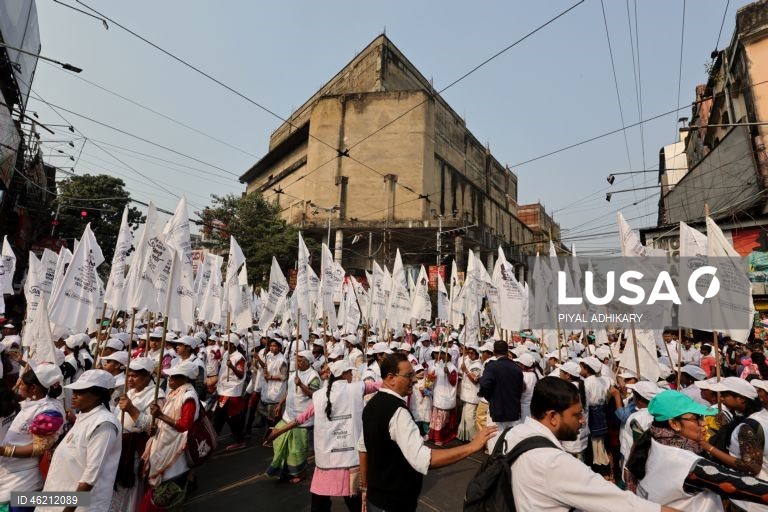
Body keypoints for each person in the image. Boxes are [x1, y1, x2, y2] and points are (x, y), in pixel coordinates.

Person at [501, 377, 681, 512]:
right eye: (576, 414)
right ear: (553, 416)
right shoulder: (554, 463)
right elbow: (623, 504)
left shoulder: (513, 434)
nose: (582, 420)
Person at [358, 353, 496, 512]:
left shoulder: (371, 404)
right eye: (409, 375)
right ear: (391, 378)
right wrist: (471, 447)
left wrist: (364, 489)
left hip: (376, 498)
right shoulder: (397, 412)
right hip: (394, 502)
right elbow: (423, 458)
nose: (415, 380)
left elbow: (363, 449)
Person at [264, 360, 380, 512]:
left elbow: (301, 418)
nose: (352, 375)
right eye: (350, 372)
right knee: (355, 503)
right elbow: (380, 385)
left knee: (319, 505)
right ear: (343, 374)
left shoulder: (319, 395)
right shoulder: (357, 388)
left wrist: (278, 432)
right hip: (350, 459)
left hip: (326, 460)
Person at [627, 390, 768, 511]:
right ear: (674, 424)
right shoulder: (686, 464)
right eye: (697, 418)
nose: (704, 423)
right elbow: (748, 487)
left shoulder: (651, 440)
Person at [39, 370, 122, 512]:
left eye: (81, 392)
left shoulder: (104, 423)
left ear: (98, 395)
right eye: (75, 391)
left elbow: (91, 474)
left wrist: (69, 509)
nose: (74, 396)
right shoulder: (84, 417)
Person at [0, 363, 65, 512]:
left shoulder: (49, 411)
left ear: (34, 388)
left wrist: (4, 451)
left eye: (22, 384)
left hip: (25, 482)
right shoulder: (32, 401)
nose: (19, 386)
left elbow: (39, 447)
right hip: (10, 475)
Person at [141, 361, 201, 512]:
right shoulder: (175, 393)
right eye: (170, 376)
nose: (170, 379)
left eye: (175, 377)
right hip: (164, 444)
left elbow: (184, 425)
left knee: (168, 491)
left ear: (186, 379)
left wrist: (160, 416)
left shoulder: (188, 396)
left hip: (175, 449)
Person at [110, 358, 164, 512]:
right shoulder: (129, 392)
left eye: (135, 376)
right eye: (128, 375)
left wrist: (132, 410)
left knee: (131, 488)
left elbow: (153, 428)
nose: (130, 379)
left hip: (136, 448)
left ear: (147, 376)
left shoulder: (156, 395)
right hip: (120, 444)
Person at [266, 350, 321, 483]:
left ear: (308, 361)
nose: (298, 362)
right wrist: (280, 404)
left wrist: (301, 385)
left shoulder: (313, 376)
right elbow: (289, 390)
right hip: (288, 415)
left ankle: (300, 473)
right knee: (279, 440)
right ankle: (284, 468)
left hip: (302, 418)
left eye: (302, 360)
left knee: (297, 449)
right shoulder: (294, 373)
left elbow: (315, 395)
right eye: (297, 359)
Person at [478, 340, 524, 451]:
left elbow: (484, 384)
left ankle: (496, 464)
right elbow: (520, 388)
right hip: (513, 409)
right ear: (507, 351)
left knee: (494, 439)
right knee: (510, 440)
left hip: (497, 409)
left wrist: (490, 397)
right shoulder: (516, 367)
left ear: (494, 352)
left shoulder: (492, 366)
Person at [214, 334, 247, 451]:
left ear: (232, 344)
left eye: (226, 343)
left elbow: (240, 374)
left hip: (231, 392)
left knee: (225, 416)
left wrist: (232, 366)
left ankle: (239, 440)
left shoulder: (239, 357)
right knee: (223, 416)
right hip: (223, 390)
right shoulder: (226, 354)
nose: (224, 344)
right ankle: (214, 438)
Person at [427, 349, 458, 446]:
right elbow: (432, 376)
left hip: (446, 397)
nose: (443, 356)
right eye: (442, 354)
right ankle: (432, 436)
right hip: (437, 394)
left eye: (445, 354)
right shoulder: (439, 365)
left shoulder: (452, 368)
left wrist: (448, 373)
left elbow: (453, 382)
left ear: (449, 356)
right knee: (435, 419)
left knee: (441, 420)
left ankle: (439, 437)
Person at [457, 345, 482, 441]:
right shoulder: (468, 362)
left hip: (472, 396)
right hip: (466, 394)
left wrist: (466, 371)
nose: (470, 355)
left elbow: (475, 380)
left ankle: (475, 439)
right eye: (468, 353)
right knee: (464, 417)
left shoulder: (478, 365)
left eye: (472, 353)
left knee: (470, 418)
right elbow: (462, 374)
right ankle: (465, 437)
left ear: (477, 354)